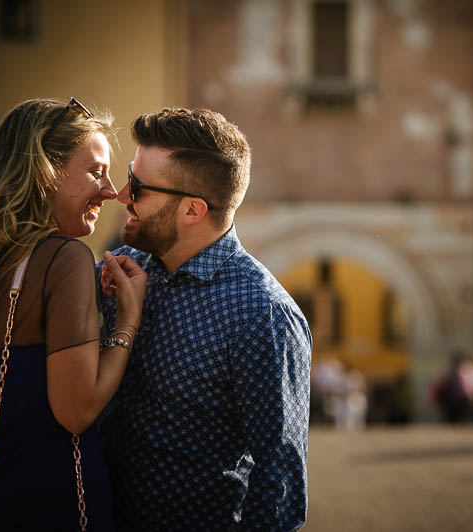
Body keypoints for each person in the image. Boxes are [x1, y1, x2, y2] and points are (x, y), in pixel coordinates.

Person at [0, 98, 147, 531]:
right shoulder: (65, 259)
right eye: (96, 171)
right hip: (64, 508)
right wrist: (127, 323)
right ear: (43, 170)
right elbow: (76, 413)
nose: (111, 191)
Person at [97, 108, 312, 531]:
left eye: (138, 187)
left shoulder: (262, 313)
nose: (122, 194)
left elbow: (279, 481)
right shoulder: (122, 270)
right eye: (128, 175)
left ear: (193, 211)